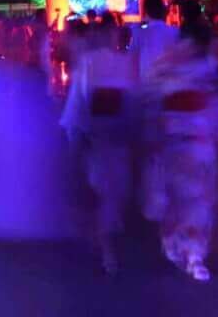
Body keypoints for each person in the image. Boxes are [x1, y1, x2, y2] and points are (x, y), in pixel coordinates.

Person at [143, 0, 218, 282]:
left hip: (194, 140)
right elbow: (151, 102)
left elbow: (216, 101)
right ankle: (178, 245)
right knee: (182, 199)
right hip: (177, 140)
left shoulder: (199, 67)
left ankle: (193, 254)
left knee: (197, 200)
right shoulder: (168, 67)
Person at [61, 19, 139, 274]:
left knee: (109, 191)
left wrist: (74, 132)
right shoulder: (109, 62)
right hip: (108, 136)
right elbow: (131, 100)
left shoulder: (96, 62)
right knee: (110, 191)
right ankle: (108, 250)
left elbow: (78, 103)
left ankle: (105, 242)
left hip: (103, 134)